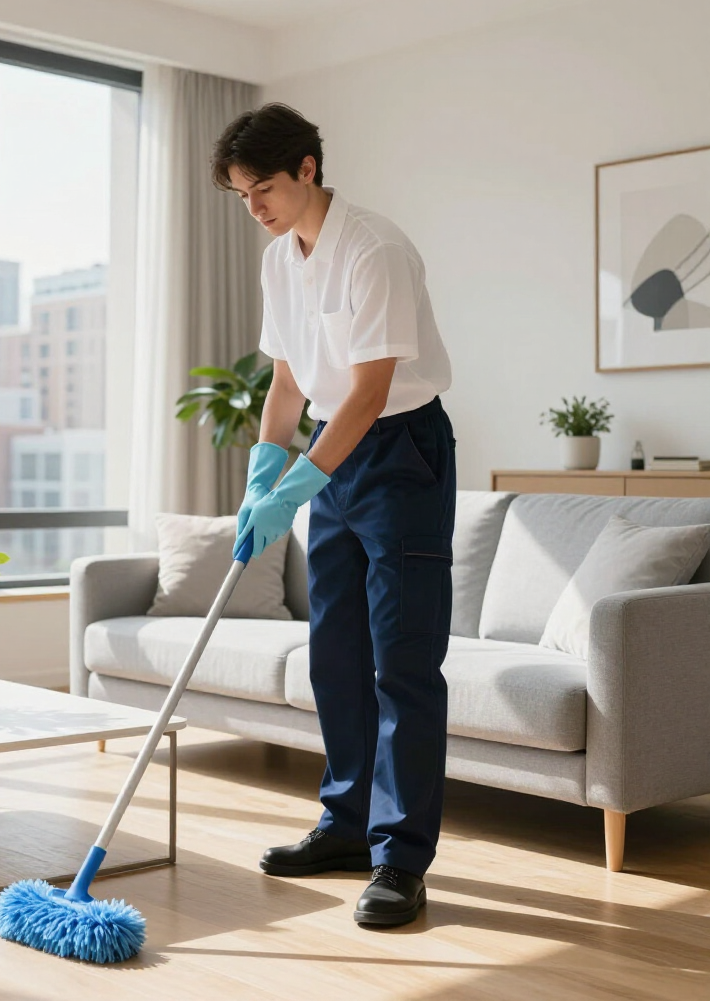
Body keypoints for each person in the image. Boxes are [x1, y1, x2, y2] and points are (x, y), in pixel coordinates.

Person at [211, 103, 456, 927]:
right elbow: (288, 380)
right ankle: (346, 825)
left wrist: (299, 483)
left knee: (402, 662)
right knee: (337, 654)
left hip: (399, 456)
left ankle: (399, 860)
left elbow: (372, 388)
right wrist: (262, 472)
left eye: (265, 189)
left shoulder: (374, 248)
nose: (256, 208)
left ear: (308, 168)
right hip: (331, 453)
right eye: (243, 196)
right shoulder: (283, 260)